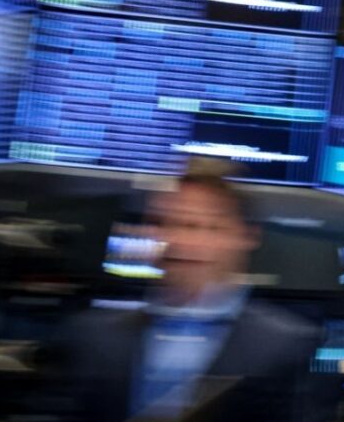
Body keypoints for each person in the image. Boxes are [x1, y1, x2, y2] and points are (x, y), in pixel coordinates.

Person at [60, 158, 325, 421]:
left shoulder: (285, 346)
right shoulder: (94, 337)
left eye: (205, 227)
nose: (183, 241)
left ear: (246, 236)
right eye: (170, 223)